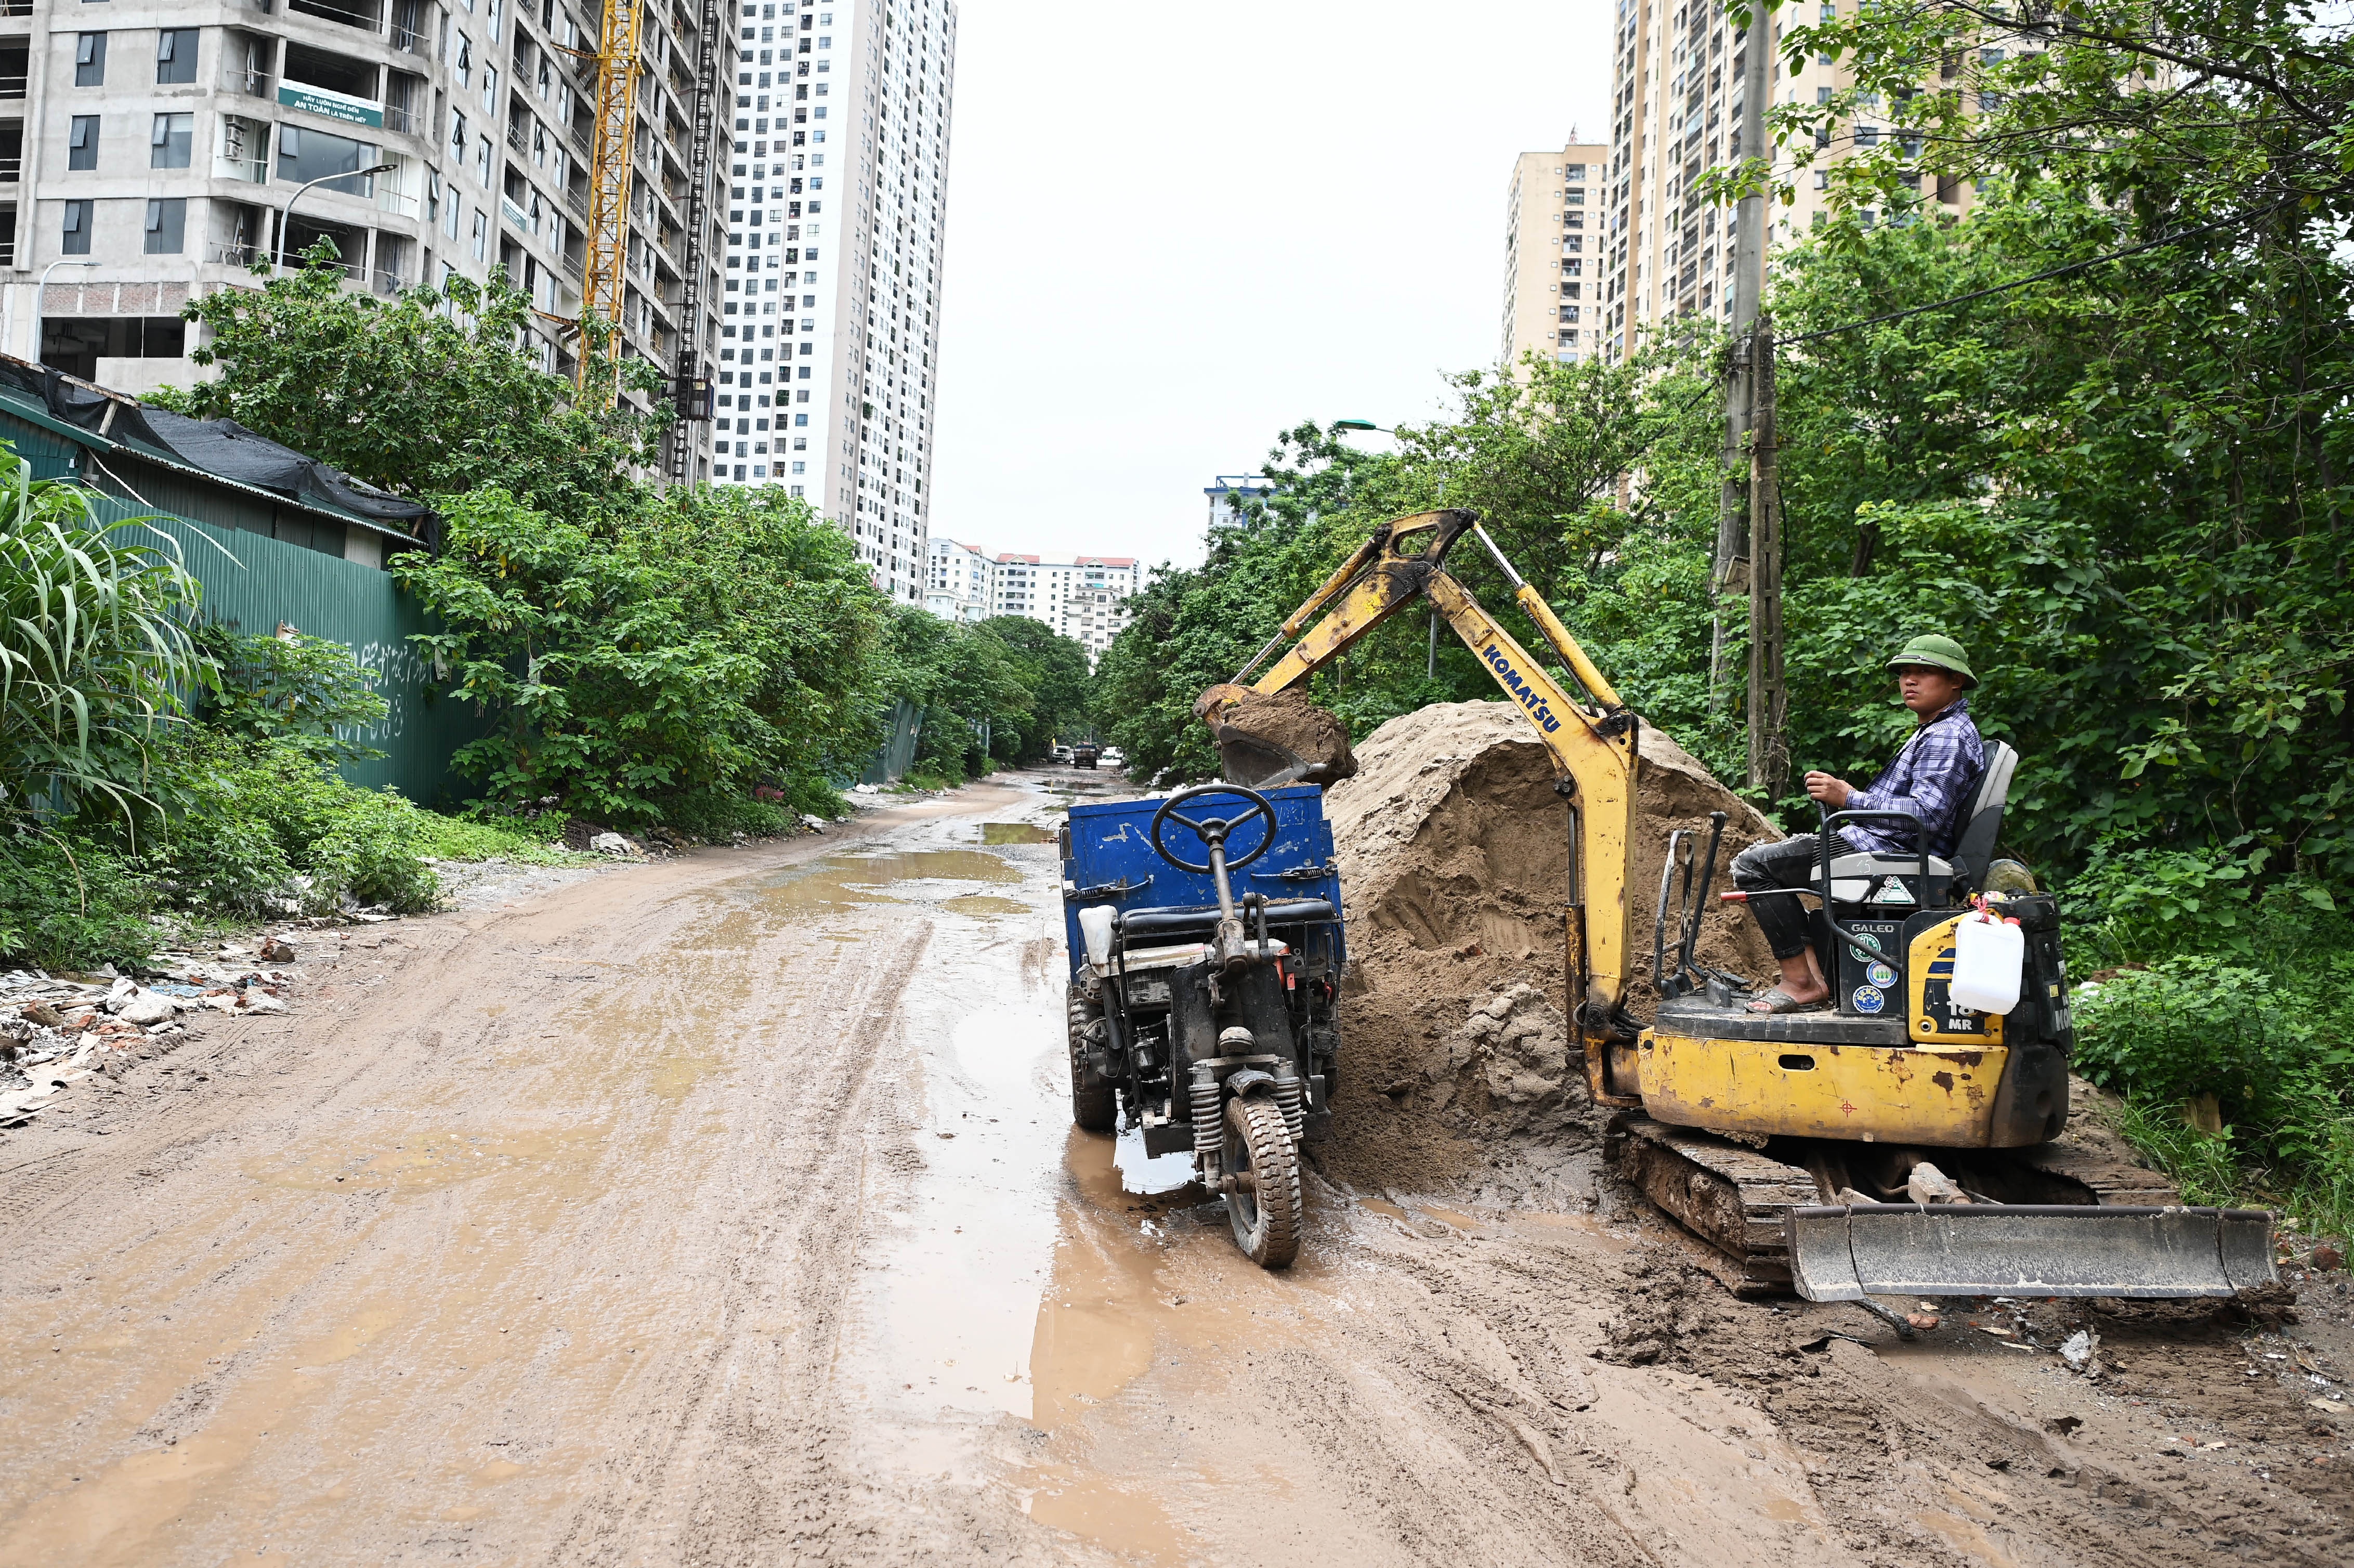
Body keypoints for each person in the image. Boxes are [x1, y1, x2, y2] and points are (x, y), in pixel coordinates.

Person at [1731, 633, 1986, 1013]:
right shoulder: (1936, 729)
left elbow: (1926, 815)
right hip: (1884, 844)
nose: (1909, 681)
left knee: (1753, 868)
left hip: (1890, 851)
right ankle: (1814, 981)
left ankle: (1801, 982)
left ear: (1956, 682)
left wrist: (1847, 798)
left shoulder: (1946, 737)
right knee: (1769, 864)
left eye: (1924, 672)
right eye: (1904, 673)